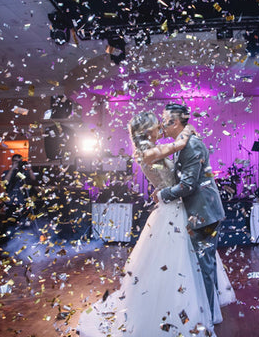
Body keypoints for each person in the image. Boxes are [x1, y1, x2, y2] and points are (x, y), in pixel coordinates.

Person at [77, 111, 234, 336]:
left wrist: (161, 189)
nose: (159, 126)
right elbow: (175, 147)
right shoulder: (147, 152)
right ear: (145, 131)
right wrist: (187, 131)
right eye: (154, 125)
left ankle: (196, 307)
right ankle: (178, 310)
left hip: (177, 207)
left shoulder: (149, 150)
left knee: (187, 263)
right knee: (176, 262)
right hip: (171, 210)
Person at [157, 103, 227, 322]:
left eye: (164, 119)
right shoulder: (183, 144)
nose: (161, 124)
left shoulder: (191, 146)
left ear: (175, 122)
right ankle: (210, 312)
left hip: (203, 213)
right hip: (199, 212)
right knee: (204, 265)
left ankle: (208, 318)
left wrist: (163, 194)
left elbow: (188, 185)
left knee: (204, 267)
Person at [2, 154, 37, 222]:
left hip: (23, 202)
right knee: (10, 223)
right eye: (15, 161)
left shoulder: (24, 172)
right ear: (12, 161)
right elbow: (5, 182)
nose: (17, 163)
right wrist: (13, 168)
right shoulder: (7, 172)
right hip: (11, 203)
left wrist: (29, 168)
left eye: (19, 161)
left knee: (23, 223)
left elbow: (33, 178)